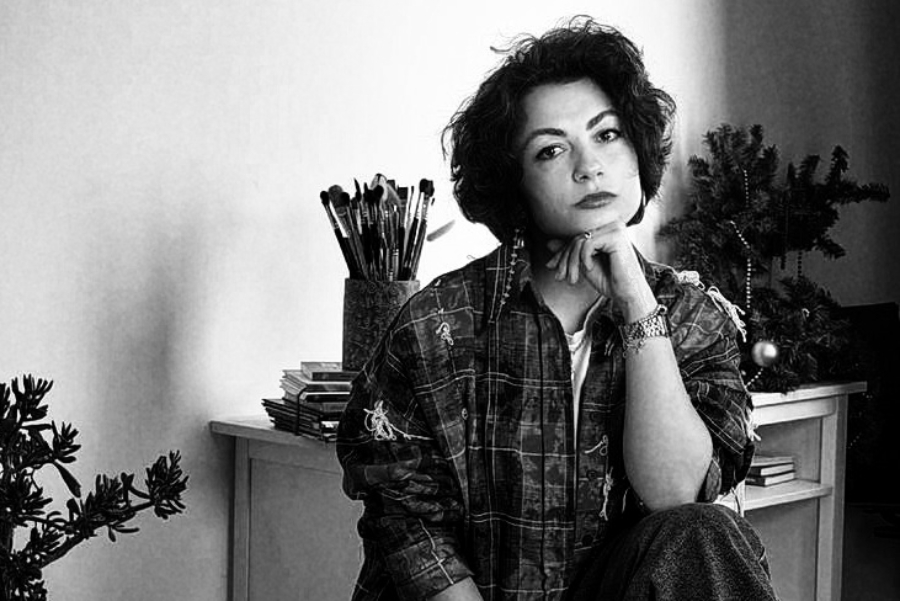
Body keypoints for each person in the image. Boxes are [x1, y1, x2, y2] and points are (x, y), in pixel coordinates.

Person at [337, 16, 778, 601]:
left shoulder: (692, 317)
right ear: (514, 181)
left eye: (607, 135)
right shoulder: (436, 324)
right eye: (550, 150)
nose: (588, 166)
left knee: (706, 532)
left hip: (616, 587)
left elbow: (676, 495)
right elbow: (408, 527)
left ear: (638, 149)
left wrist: (637, 306)